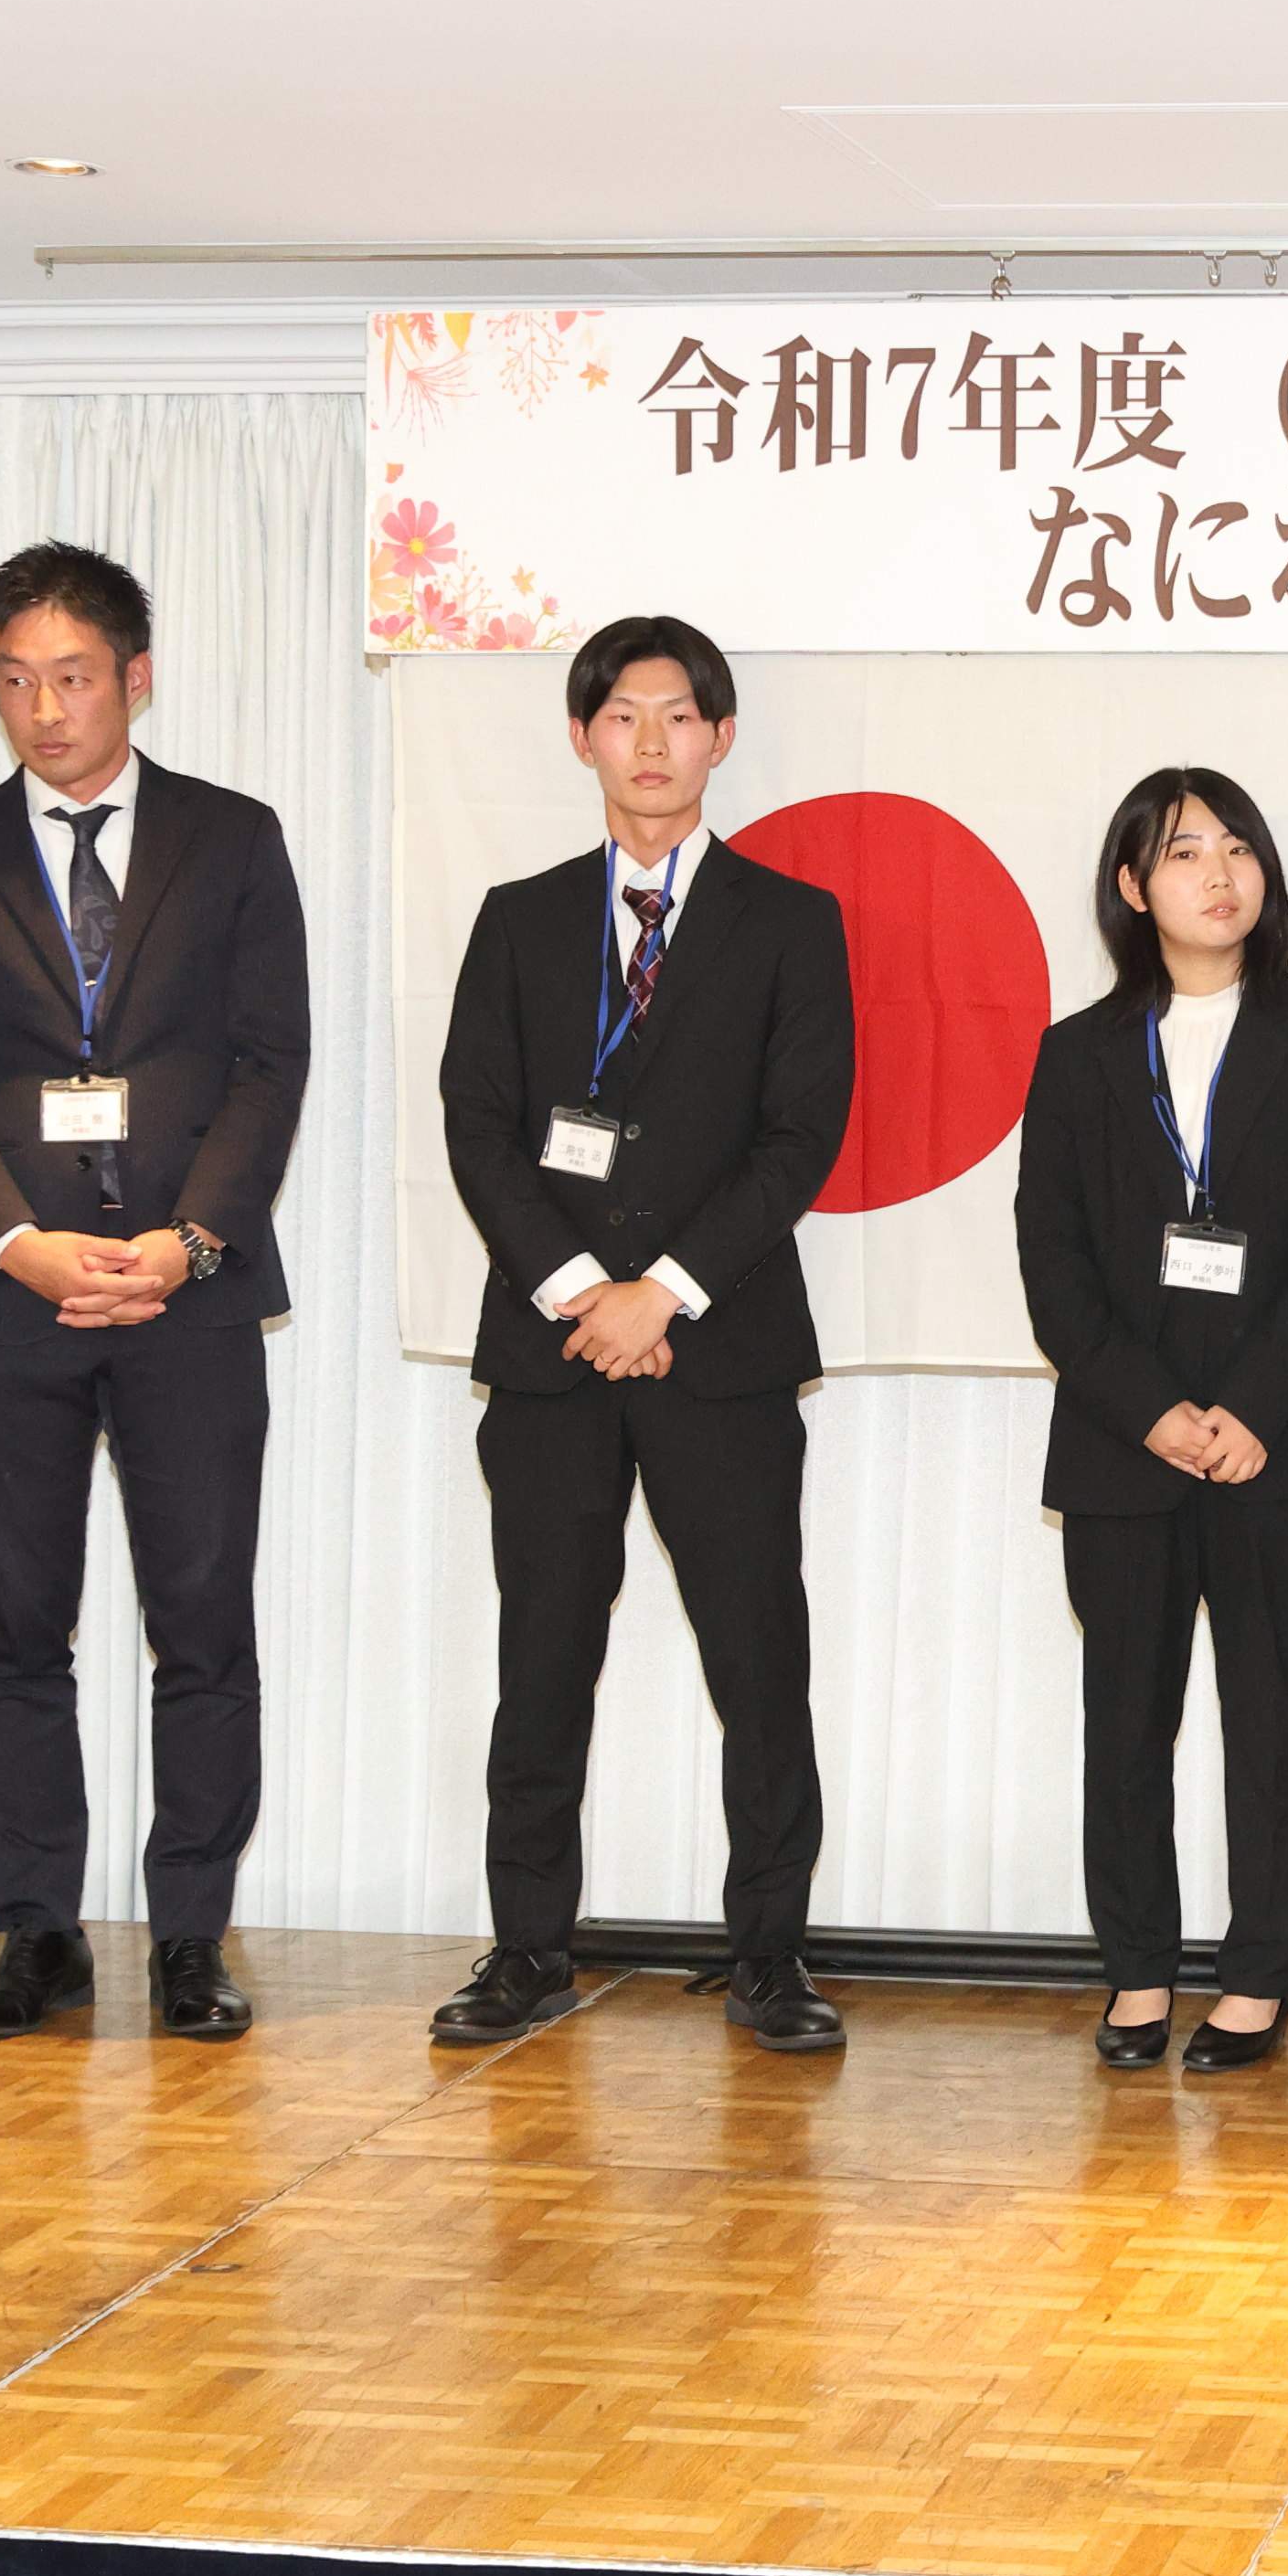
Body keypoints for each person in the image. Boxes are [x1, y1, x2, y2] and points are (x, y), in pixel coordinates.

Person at [0, 542, 311, 2048]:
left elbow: (269, 1061)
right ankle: (36, 1932)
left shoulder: (232, 838)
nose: (44, 710)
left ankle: (190, 1935)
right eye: (14, 680)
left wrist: (192, 1241)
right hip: (15, 1303)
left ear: (136, 674)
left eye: (70, 677)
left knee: (202, 1624)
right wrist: (17, 1242)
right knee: (15, 1626)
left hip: (191, 1297)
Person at [434, 615, 855, 2051]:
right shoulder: (517, 917)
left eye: (679, 715)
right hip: (551, 1356)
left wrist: (661, 1289)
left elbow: (799, 1137)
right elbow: (478, 1127)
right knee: (542, 1659)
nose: (653, 741)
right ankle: (525, 1949)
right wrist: (579, 1291)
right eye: (623, 715)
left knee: (759, 1661)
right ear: (583, 737)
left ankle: (771, 1957)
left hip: (718, 1352)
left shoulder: (792, 921)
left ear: (720, 736)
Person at [1012, 769, 1288, 2073]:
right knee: (1126, 1718)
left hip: (1277, 1438)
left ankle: (1255, 1979)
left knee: (1270, 1714)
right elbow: (1052, 1264)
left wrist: (1246, 1410)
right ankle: (1135, 1970)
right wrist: (1154, 1412)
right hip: (1123, 1443)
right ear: (1133, 886)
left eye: (1238, 847)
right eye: (1183, 853)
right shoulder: (1077, 1055)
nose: (1218, 874)